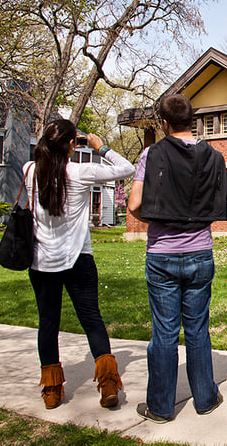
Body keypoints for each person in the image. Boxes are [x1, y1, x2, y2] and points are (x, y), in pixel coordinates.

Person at [127, 94, 227, 423]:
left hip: (162, 256)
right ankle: (205, 398)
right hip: (200, 251)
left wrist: (157, 221)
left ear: (165, 123)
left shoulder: (151, 154)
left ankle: (160, 406)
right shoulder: (214, 156)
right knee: (198, 329)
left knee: (165, 333)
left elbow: (134, 205)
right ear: (192, 121)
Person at [24, 119, 135, 410]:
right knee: (92, 320)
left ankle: (51, 390)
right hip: (78, 260)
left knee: (48, 324)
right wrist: (101, 147)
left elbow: (42, 160)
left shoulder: (30, 171)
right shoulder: (81, 172)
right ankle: (109, 385)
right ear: (74, 144)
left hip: (41, 262)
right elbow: (127, 169)